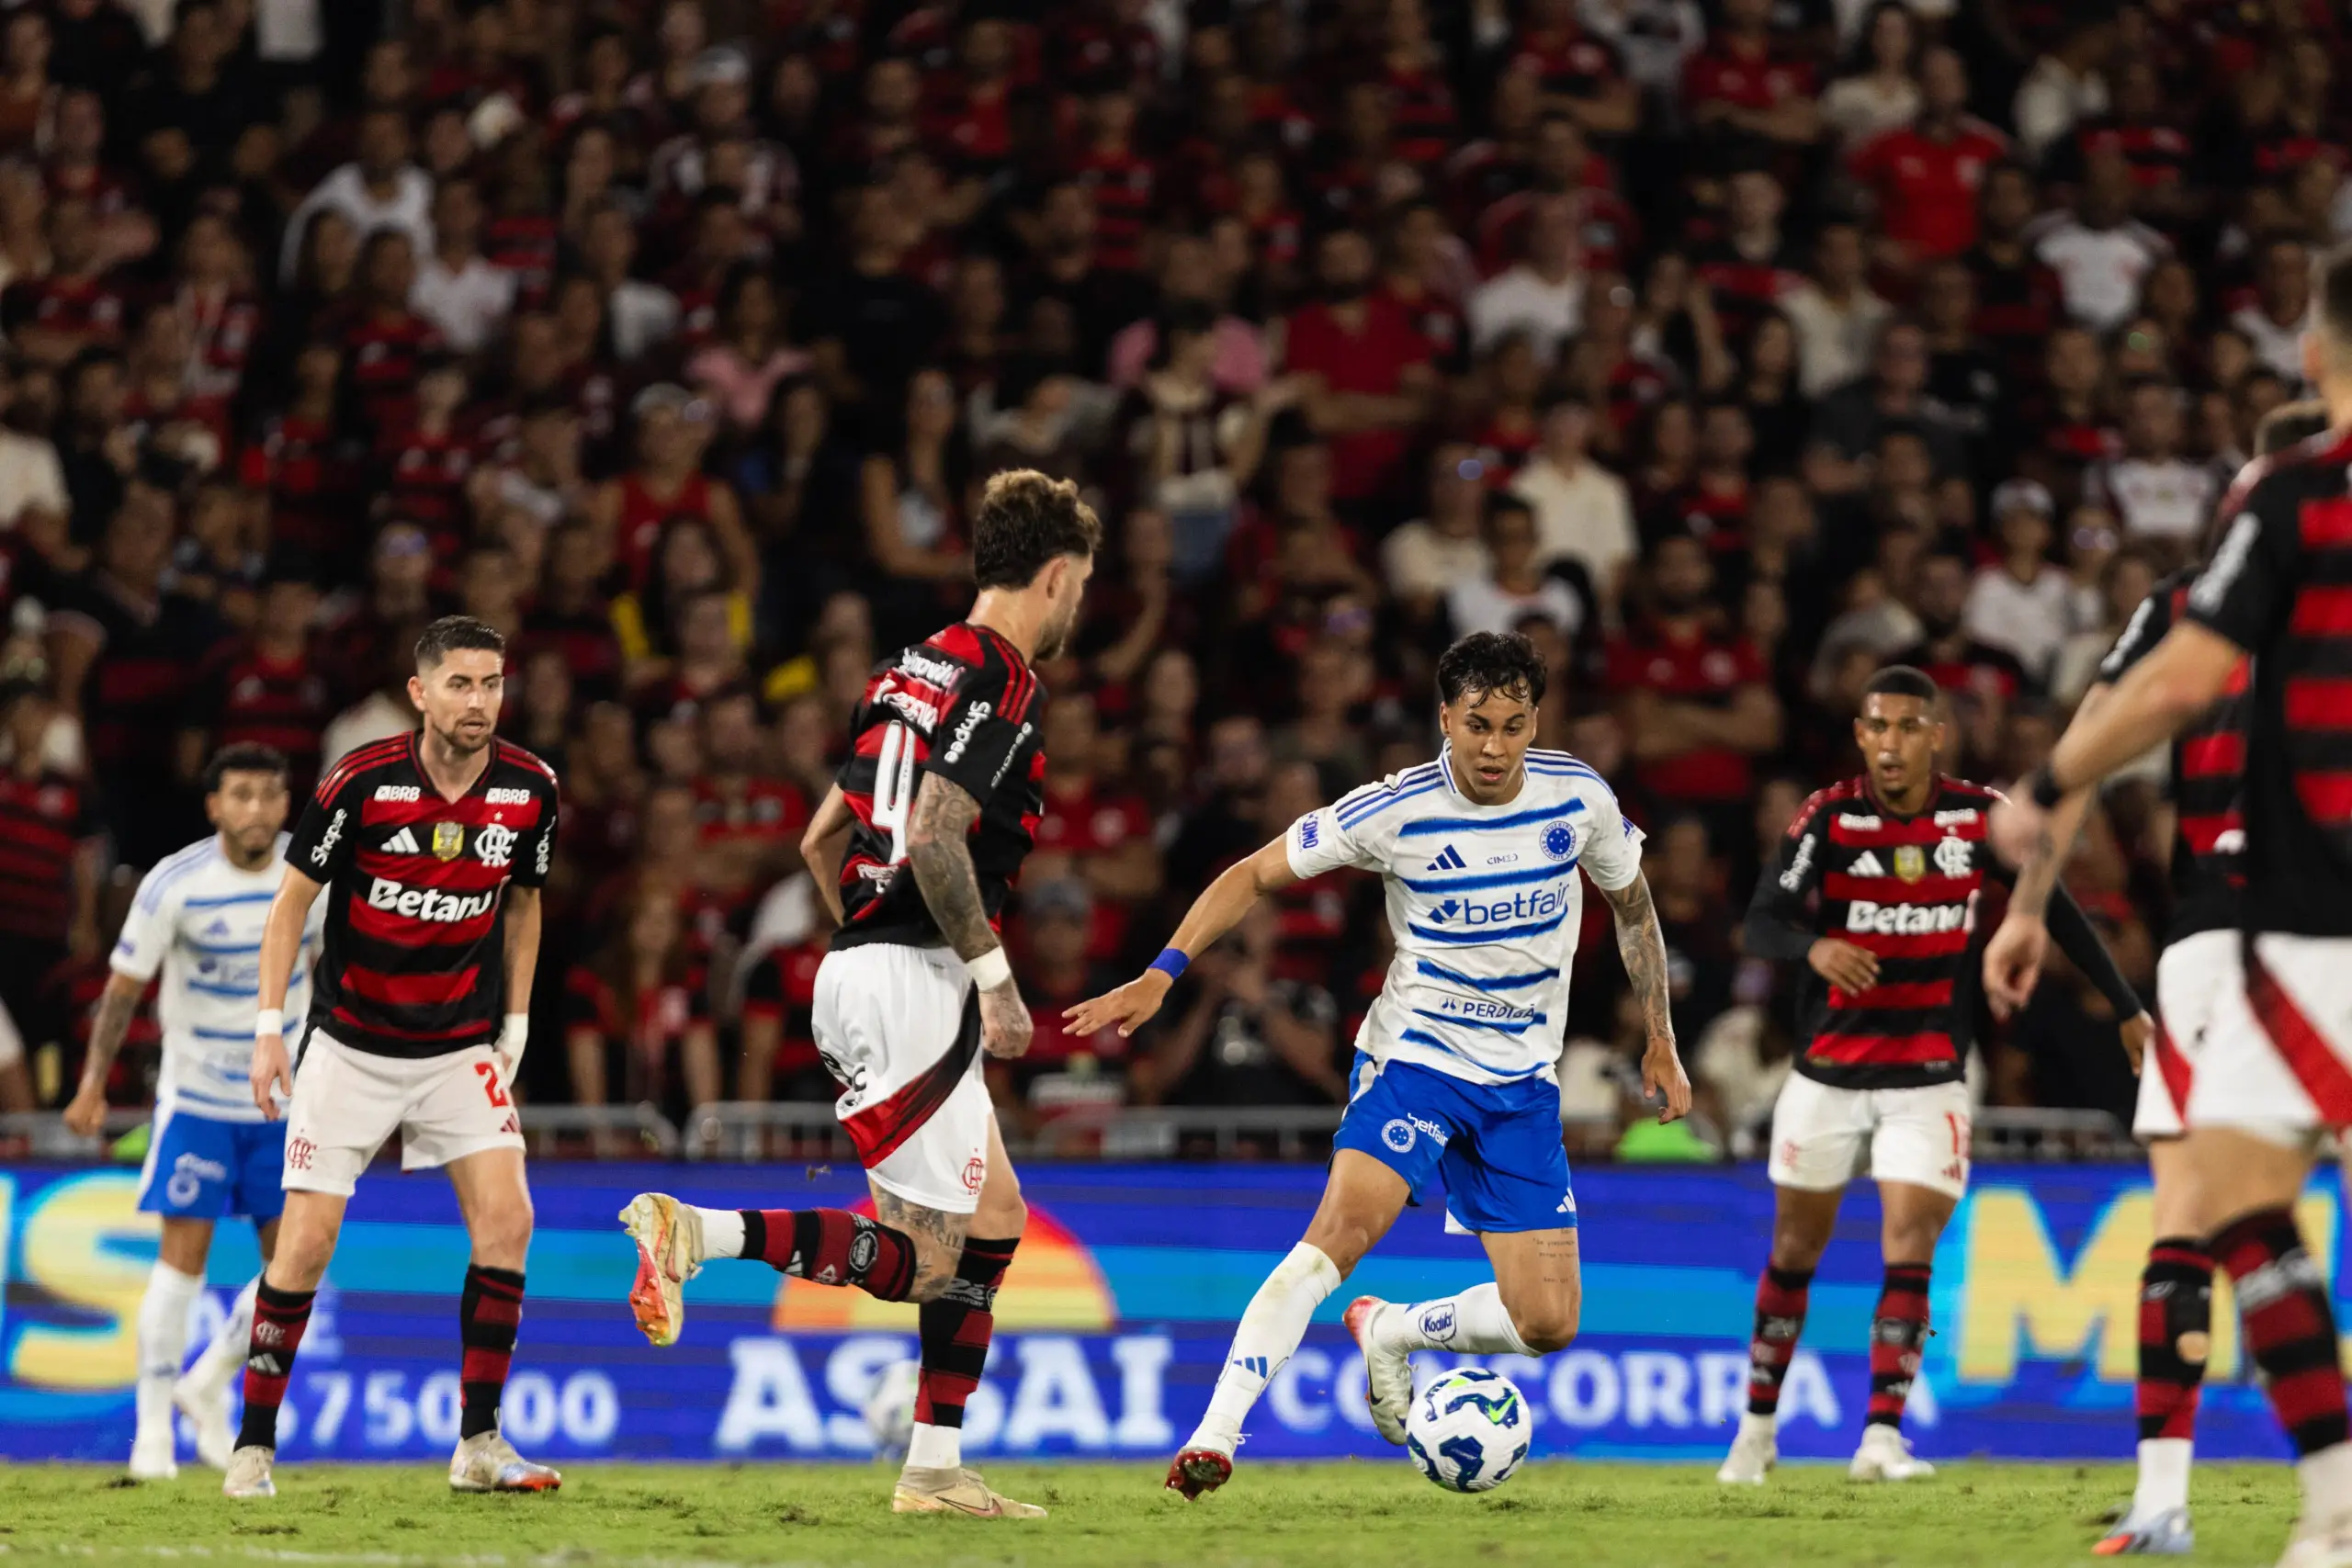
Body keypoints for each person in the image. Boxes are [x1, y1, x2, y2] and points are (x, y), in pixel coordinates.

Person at [1065, 630, 1691, 1499]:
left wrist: (1660, 1034)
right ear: (1444, 718)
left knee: (1547, 1323)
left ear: (1535, 721)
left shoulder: (1576, 797)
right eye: (1476, 723)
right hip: (1416, 1062)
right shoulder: (1392, 810)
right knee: (1335, 1241)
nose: (1494, 746)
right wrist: (1162, 972)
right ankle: (1215, 1431)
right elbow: (1250, 875)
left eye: (1513, 725)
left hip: (1520, 1088)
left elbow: (1633, 905)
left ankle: (1394, 1331)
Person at [616, 470, 1100, 1521]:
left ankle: (932, 1467)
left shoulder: (904, 671)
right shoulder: (1006, 682)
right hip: (916, 975)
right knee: (929, 1261)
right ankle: (695, 1233)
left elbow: (818, 837)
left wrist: (862, 939)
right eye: (1081, 589)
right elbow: (932, 832)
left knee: (995, 1215)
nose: (1077, 610)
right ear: (1057, 578)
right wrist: (994, 981)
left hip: (863, 962)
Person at [1989, 251, 2352, 1568]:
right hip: (2248, 932)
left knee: (2203, 1214)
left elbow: (2097, 738)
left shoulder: (2206, 584)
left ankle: (2171, 1496)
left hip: (2241, 934)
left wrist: (2030, 890)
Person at [1720, 664, 2147, 1487]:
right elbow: (1761, 920)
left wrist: (2126, 1005)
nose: (1891, 743)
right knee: (1794, 1249)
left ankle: (1881, 1435)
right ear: (1860, 735)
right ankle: (1755, 1429)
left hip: (1929, 1074)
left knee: (1909, 1245)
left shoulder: (1977, 818)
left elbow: (2052, 905)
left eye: (1909, 726)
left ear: (1937, 734)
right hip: (1828, 1072)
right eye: (1877, 726)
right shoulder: (1830, 817)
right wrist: (1813, 945)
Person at [227, 616, 562, 1500]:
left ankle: (478, 1443)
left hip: (457, 1047)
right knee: (302, 1246)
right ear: (420, 693)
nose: (479, 701)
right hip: (350, 1044)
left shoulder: (531, 788)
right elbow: (292, 904)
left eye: (491, 683)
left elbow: (525, 903)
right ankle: (252, 1446)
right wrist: (271, 1026)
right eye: (460, 683)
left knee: (510, 1222)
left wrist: (516, 1022)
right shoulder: (361, 782)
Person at [62, 745, 320, 1479]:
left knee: (298, 1267)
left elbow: (333, 972)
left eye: (270, 795)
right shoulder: (175, 882)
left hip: (285, 1104)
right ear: (213, 805)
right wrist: (91, 1083)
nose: (256, 810)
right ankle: (151, 1438)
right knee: (182, 1266)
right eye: (240, 795)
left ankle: (205, 1379)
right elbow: (121, 989)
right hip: (198, 1100)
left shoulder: (312, 879)